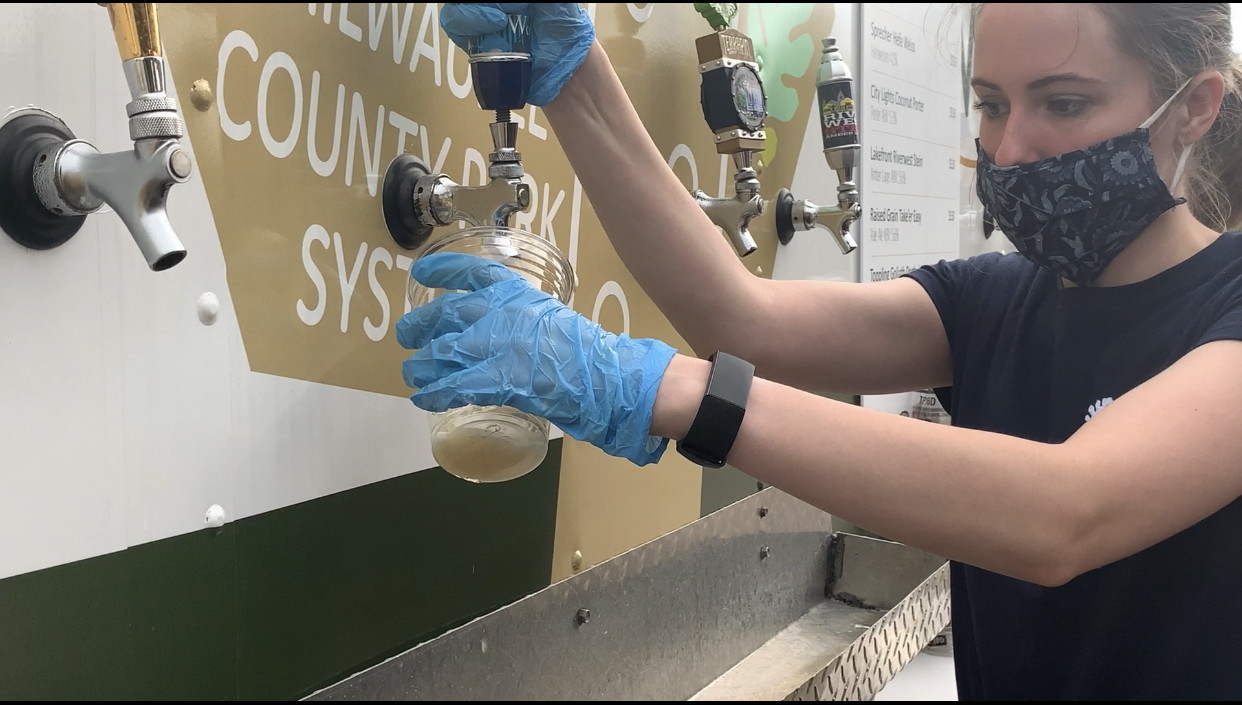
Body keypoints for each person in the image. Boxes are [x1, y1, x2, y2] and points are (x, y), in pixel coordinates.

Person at [396, 3, 1242, 699]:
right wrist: (575, 80)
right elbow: (741, 320)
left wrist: (669, 390)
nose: (1011, 149)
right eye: (991, 105)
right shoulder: (995, 300)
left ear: (1195, 107)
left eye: (1063, 104)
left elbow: (1064, 513)